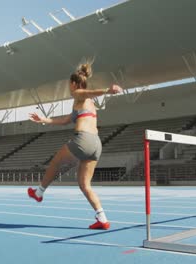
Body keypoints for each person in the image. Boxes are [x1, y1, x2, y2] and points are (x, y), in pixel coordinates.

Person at [27, 63, 123, 230]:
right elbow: (65, 120)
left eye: (68, 84)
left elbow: (87, 92)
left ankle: (39, 192)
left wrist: (107, 90)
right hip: (96, 144)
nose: (68, 87)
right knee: (85, 185)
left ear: (73, 84)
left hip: (83, 140)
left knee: (56, 162)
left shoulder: (79, 94)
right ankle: (102, 218)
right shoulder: (86, 103)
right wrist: (44, 119)